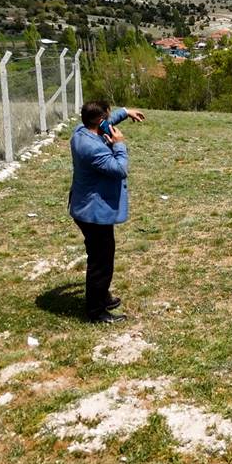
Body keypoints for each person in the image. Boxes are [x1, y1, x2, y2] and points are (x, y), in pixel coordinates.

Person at [69, 101, 145, 323]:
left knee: (101, 255)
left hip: (85, 207)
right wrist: (119, 144)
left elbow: (104, 123)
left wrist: (125, 112)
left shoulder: (80, 132)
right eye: (107, 117)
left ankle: (101, 296)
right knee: (101, 262)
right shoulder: (94, 148)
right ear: (100, 121)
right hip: (93, 214)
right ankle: (95, 311)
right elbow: (120, 170)